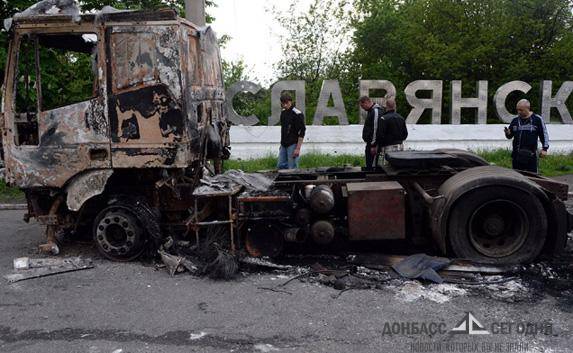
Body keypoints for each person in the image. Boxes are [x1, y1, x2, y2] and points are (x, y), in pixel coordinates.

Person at [504, 99, 549, 173]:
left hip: (531, 156)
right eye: (517, 110)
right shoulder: (515, 121)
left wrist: (545, 149)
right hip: (516, 156)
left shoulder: (537, 119)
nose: (518, 112)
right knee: (517, 178)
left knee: (533, 178)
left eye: (521, 110)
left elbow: (544, 134)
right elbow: (509, 136)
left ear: (527, 109)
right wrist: (507, 133)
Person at [277, 94, 306, 169]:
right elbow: (284, 130)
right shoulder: (283, 113)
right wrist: (281, 145)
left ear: (291, 102)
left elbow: (302, 131)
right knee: (281, 165)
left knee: (292, 167)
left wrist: (298, 148)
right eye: (283, 103)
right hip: (283, 144)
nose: (285, 105)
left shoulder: (297, 114)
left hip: (293, 144)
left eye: (287, 103)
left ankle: (296, 179)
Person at [377, 96, 408, 164]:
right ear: (395, 106)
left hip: (388, 147)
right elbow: (405, 134)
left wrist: (380, 146)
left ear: (386, 106)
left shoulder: (383, 118)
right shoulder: (401, 118)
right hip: (400, 146)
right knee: (398, 166)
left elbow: (380, 135)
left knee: (387, 167)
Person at [359, 96, 385, 170]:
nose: (362, 108)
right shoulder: (371, 111)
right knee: (369, 164)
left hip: (373, 145)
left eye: (362, 105)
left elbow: (375, 129)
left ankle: (372, 179)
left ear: (366, 102)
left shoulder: (375, 111)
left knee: (372, 165)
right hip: (371, 143)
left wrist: (373, 145)